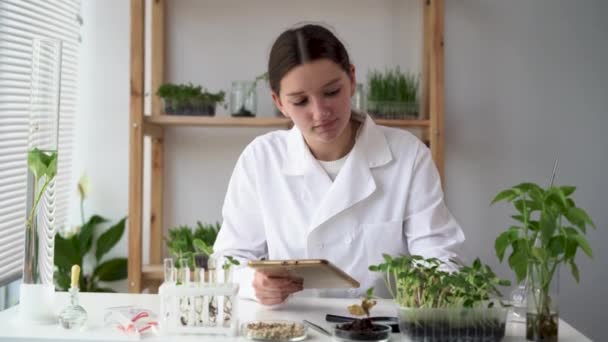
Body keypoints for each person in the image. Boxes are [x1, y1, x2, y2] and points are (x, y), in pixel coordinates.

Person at [213, 23, 465, 305]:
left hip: (380, 327)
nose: (320, 113)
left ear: (352, 79)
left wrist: (434, 290)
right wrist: (253, 283)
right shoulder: (261, 159)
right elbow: (229, 259)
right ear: (279, 102)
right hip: (295, 326)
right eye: (300, 101)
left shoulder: (408, 156)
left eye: (331, 92)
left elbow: (439, 256)